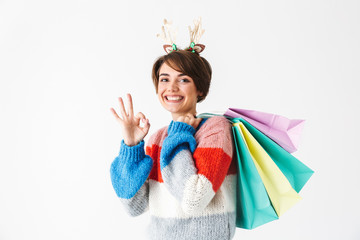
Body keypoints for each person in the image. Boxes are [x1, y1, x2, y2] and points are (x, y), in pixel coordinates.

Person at [109, 19, 237, 240]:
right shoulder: (159, 138)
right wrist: (131, 148)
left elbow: (194, 200)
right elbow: (134, 206)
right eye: (164, 79)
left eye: (184, 79)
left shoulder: (216, 130)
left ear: (200, 88)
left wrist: (179, 134)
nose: (171, 87)